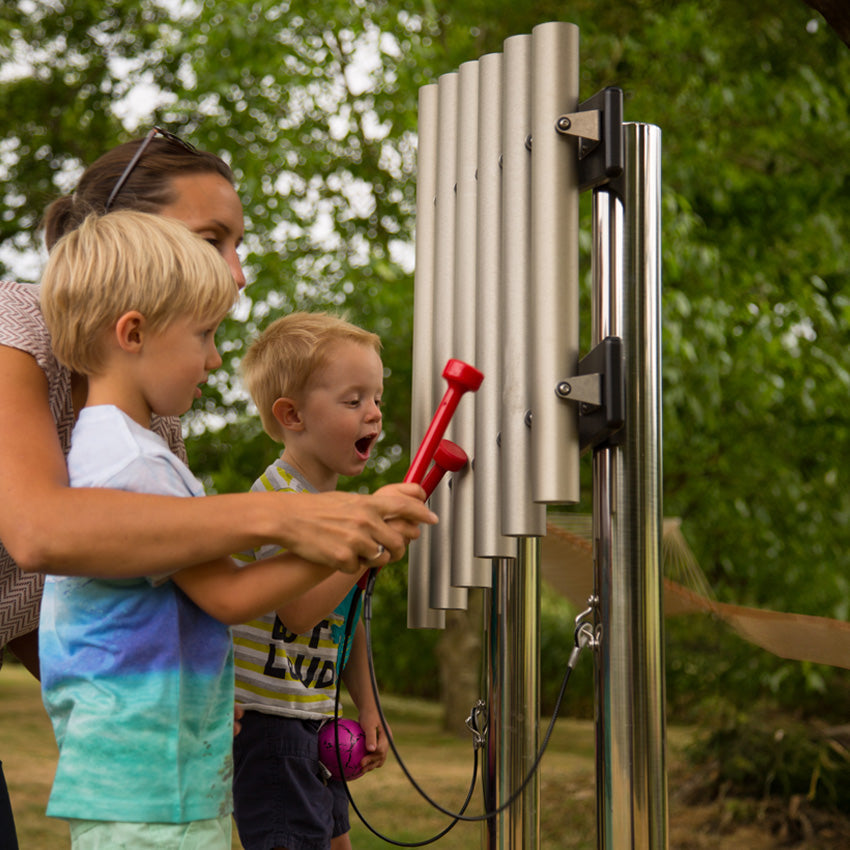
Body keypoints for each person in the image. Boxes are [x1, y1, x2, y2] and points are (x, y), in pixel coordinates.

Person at [0, 129, 436, 847]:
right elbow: (41, 533)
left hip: (151, 766)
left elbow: (88, 597)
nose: (237, 273)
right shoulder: (20, 330)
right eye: (213, 241)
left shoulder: (152, 428)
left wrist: (161, 694)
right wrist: (295, 518)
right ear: (126, 238)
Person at [231, 312, 393, 850]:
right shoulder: (281, 500)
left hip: (316, 717)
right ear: (293, 415)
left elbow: (346, 620)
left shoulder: (337, 509)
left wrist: (366, 704)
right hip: (271, 725)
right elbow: (299, 612)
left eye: (377, 397)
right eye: (354, 400)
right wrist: (363, 553)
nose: (374, 412)